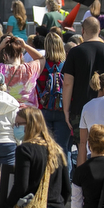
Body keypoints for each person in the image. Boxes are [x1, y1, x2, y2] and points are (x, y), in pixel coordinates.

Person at [63, 17, 104, 146]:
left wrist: (66, 110)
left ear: (83, 30)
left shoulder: (75, 52)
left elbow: (68, 83)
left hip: (80, 108)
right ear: (99, 30)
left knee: (82, 147)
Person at [36, 32, 71, 169]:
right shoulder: (67, 65)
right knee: (62, 149)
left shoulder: (41, 64)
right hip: (63, 110)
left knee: (45, 149)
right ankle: (64, 183)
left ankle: (48, 182)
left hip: (44, 110)